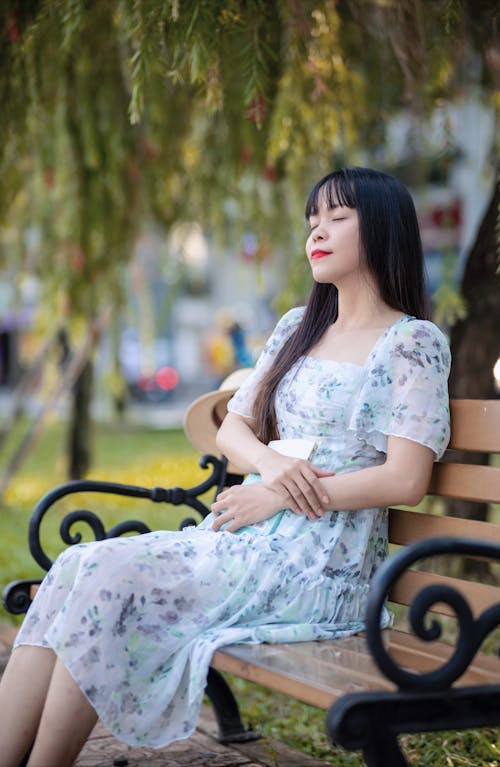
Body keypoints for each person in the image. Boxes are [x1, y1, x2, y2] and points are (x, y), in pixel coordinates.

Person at [0, 167, 451, 767]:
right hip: (249, 539)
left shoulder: (411, 342)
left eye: (338, 218)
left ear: (384, 230)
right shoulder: (298, 326)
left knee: (107, 574)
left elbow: (406, 480)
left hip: (319, 568)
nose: (317, 231)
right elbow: (232, 426)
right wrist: (266, 467)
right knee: (81, 563)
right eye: (312, 220)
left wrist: (277, 496)